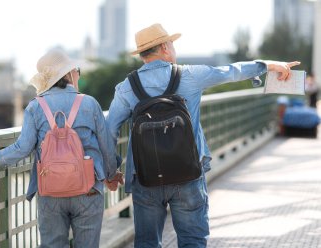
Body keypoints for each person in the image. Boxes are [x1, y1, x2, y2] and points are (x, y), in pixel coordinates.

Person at [105, 23, 301, 248]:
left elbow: (110, 129)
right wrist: (269, 65)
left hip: (146, 177)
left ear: (143, 55)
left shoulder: (126, 87)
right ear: (164, 48)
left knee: (147, 243)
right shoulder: (190, 75)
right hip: (188, 174)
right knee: (193, 242)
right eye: (171, 43)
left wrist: (111, 172)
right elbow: (230, 72)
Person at [0, 47, 123, 248]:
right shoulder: (89, 103)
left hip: (50, 190)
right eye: (76, 70)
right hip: (88, 188)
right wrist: (110, 175)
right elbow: (106, 145)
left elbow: (23, 146)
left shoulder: (35, 106)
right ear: (70, 74)